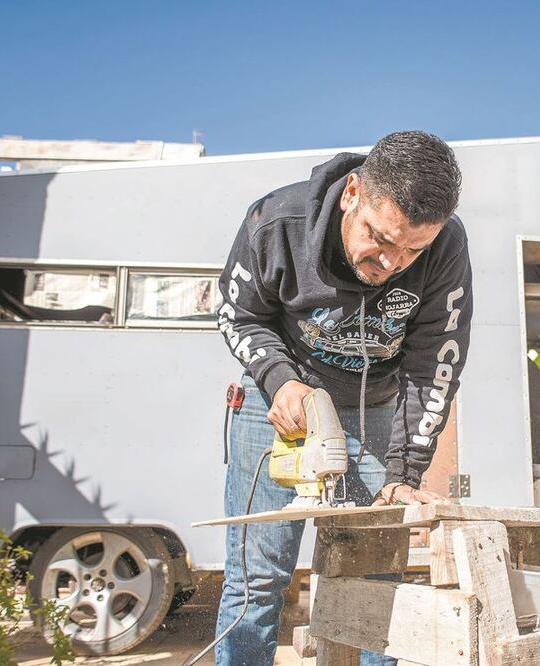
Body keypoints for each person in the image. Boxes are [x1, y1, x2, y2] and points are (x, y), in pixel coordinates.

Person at [213, 130, 473, 665]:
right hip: (278, 404)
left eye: (413, 250)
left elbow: (436, 364)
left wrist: (404, 472)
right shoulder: (276, 222)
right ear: (352, 192)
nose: (392, 263)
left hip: (375, 408)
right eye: (380, 238)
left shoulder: (447, 246)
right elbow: (239, 315)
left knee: (375, 581)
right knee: (257, 580)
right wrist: (280, 379)